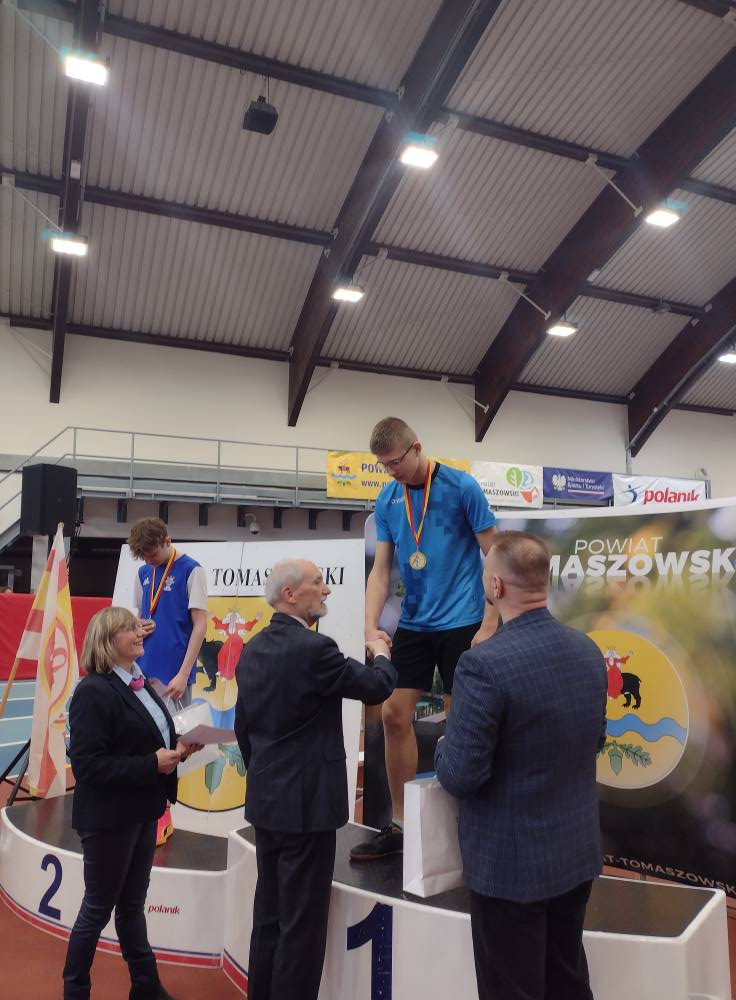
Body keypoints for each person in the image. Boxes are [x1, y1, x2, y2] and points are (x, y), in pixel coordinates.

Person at [434, 531, 607, 1000]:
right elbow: (595, 741)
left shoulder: (483, 665)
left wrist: (444, 745)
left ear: (496, 586)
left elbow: (460, 775)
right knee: (568, 981)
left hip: (509, 866)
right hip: (574, 852)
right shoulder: (588, 651)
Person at [234, 559, 396, 1000]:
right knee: (301, 930)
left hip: (267, 803)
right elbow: (378, 686)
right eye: (318, 583)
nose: (326, 590)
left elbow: (243, 729)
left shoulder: (251, 649)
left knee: (268, 919)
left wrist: (266, 776)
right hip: (307, 810)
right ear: (289, 594)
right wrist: (380, 651)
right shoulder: (315, 649)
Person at [350, 416, 498, 860]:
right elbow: (381, 571)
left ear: (416, 448)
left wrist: (490, 622)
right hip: (414, 622)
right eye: (382, 465)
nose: (390, 471)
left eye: (395, 462)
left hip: (463, 621)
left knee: (460, 725)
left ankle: (461, 825)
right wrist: (369, 625)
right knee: (394, 715)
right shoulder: (388, 498)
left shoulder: (461, 487)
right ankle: (399, 824)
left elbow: (495, 556)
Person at [63, 607, 203, 1000]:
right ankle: (75, 990)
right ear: (108, 641)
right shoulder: (93, 692)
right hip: (109, 819)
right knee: (97, 909)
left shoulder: (140, 682)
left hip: (142, 812)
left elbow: (146, 743)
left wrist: (178, 750)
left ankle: (145, 985)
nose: (141, 631)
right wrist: (151, 764)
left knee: (131, 906)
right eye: (130, 628)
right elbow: (88, 767)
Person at [128, 517, 208, 844]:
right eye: (144, 557)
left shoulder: (192, 570)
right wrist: (138, 626)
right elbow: (138, 615)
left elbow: (200, 626)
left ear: (167, 540)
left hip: (174, 675)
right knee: (143, 744)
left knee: (174, 745)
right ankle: (151, 813)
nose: (150, 561)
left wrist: (184, 673)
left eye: (153, 554)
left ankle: (163, 814)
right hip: (141, 672)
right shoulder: (143, 573)